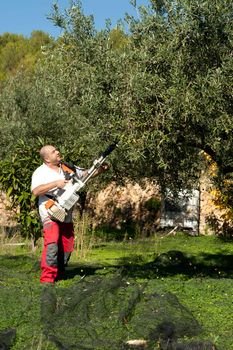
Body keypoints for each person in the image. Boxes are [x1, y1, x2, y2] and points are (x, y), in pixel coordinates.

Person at [31, 145, 108, 284]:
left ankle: (60, 273)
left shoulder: (67, 167)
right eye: (54, 151)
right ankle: (47, 279)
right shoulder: (40, 172)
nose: (58, 152)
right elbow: (36, 191)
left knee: (67, 244)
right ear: (47, 158)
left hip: (66, 212)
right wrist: (56, 183)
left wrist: (100, 170)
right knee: (52, 243)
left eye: (56, 150)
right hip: (50, 211)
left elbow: (85, 175)